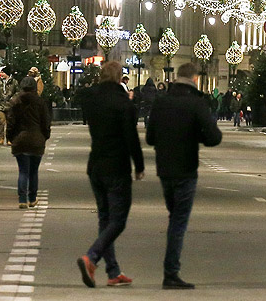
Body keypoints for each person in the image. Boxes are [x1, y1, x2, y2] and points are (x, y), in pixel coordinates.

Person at [146, 61, 223, 290]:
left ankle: (171, 269)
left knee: (174, 217)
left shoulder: (161, 102)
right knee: (178, 221)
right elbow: (213, 137)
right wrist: (195, 136)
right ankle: (171, 272)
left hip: (165, 168)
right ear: (195, 79)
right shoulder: (196, 103)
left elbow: (150, 138)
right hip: (186, 168)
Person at [76, 61, 144, 288]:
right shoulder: (122, 102)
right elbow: (130, 136)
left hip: (95, 165)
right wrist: (139, 164)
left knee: (105, 219)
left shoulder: (93, 100)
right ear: (118, 78)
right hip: (116, 166)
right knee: (119, 220)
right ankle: (92, 257)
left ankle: (113, 271)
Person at [7, 75, 51, 208]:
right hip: (36, 139)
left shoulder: (15, 102)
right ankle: (32, 198)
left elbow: (11, 123)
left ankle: (22, 200)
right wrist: (44, 136)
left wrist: (11, 138)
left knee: (23, 171)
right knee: (33, 171)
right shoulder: (40, 102)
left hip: (20, 139)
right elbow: (46, 122)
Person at [0, 70, 19, 145]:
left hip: (10, 105)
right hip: (0, 105)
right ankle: (1, 138)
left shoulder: (14, 82)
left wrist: (12, 99)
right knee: (1, 121)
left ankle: (9, 139)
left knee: (10, 123)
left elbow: (17, 92)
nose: (1, 74)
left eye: (3, 72)